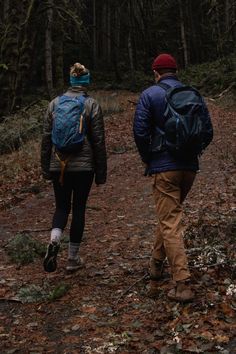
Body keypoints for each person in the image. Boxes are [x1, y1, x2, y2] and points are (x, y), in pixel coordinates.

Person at [133, 53, 213, 302]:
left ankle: (182, 283)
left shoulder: (150, 94)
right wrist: (192, 152)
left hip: (164, 167)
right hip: (189, 168)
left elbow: (139, 131)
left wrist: (149, 158)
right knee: (170, 216)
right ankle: (156, 265)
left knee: (170, 221)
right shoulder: (193, 94)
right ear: (175, 71)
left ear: (156, 73)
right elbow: (208, 131)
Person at [41, 62, 107, 272]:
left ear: (71, 81)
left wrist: (45, 168)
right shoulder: (91, 104)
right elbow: (98, 141)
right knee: (79, 208)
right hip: (83, 166)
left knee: (61, 207)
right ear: (86, 82)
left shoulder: (54, 104)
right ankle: (72, 258)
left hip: (57, 163)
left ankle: (54, 240)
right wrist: (101, 172)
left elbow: (45, 139)